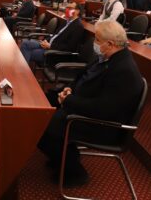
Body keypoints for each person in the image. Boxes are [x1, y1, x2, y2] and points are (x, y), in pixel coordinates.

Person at [37, 20, 144, 187]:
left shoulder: (124, 70)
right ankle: (63, 157)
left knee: (44, 125)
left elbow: (104, 109)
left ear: (110, 44)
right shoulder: (106, 56)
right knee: (42, 104)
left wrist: (69, 100)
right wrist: (68, 90)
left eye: (97, 40)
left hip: (104, 125)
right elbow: (83, 77)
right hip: (84, 102)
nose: (94, 43)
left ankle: (75, 172)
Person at [19, 3, 85, 66]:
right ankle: (23, 71)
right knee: (25, 43)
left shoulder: (78, 26)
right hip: (48, 44)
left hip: (55, 52)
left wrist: (50, 46)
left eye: (70, 8)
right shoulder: (66, 21)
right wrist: (45, 41)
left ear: (77, 11)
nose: (67, 10)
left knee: (28, 52)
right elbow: (55, 35)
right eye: (67, 7)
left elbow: (70, 48)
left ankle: (23, 74)